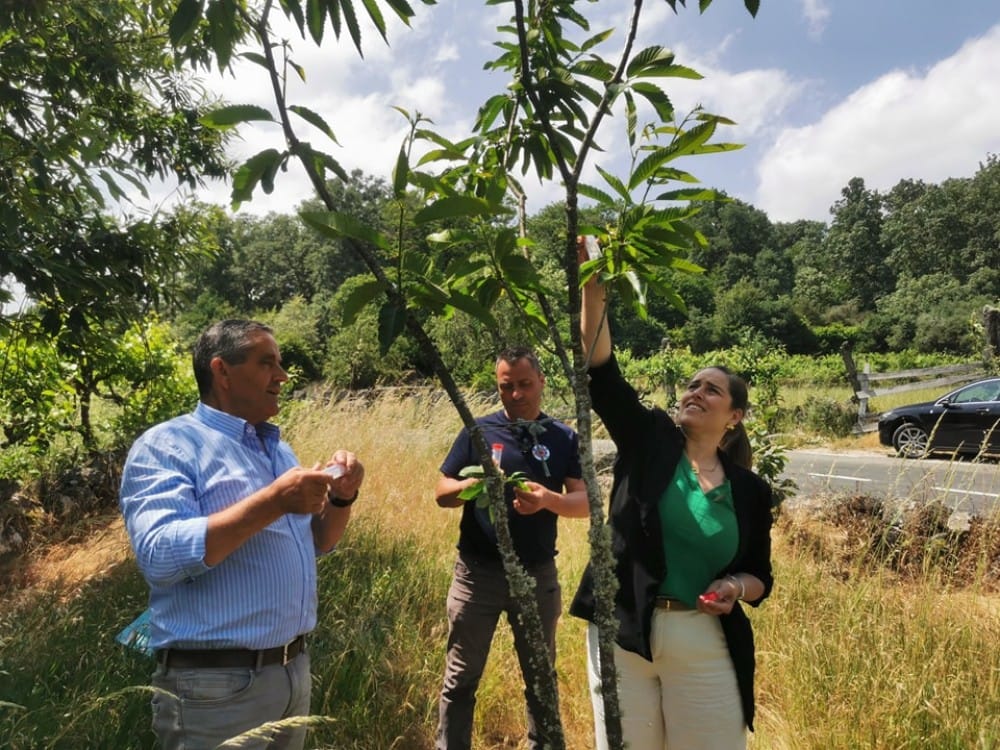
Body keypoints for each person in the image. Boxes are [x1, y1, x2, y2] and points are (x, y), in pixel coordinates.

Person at [119, 319, 365, 750]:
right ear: (222, 371)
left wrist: (342, 499)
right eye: (266, 362)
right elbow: (159, 557)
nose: (283, 375)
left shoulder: (278, 450)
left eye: (281, 363)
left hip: (291, 672)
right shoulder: (169, 445)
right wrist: (272, 501)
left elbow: (318, 545)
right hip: (214, 689)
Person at [570, 239, 774, 750]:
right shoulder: (650, 441)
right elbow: (602, 375)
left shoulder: (749, 490)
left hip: (703, 644)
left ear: (735, 416)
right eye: (691, 384)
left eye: (711, 389)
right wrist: (594, 291)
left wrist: (735, 588)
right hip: (624, 632)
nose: (695, 392)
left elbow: (760, 576)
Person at [434, 346, 589, 750]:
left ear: (541, 382)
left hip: (537, 574)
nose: (516, 394)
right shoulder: (478, 431)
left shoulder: (562, 437)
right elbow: (442, 492)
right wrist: (473, 485)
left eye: (524, 385)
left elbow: (585, 502)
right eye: (507, 387)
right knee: (461, 676)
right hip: (477, 574)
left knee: (541, 676)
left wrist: (547, 500)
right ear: (498, 387)